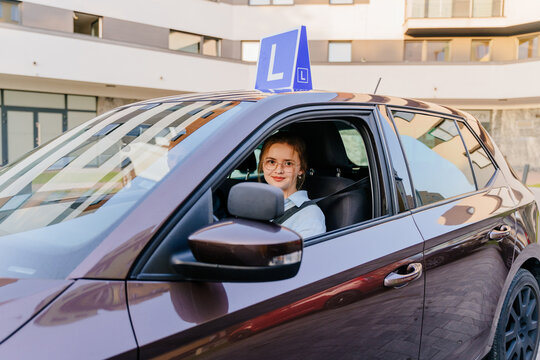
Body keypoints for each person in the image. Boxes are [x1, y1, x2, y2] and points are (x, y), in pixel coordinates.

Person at [258, 132, 326, 238]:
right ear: (262, 165)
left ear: (301, 169)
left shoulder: (310, 215)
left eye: (288, 163)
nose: (279, 170)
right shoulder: (255, 204)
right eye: (271, 162)